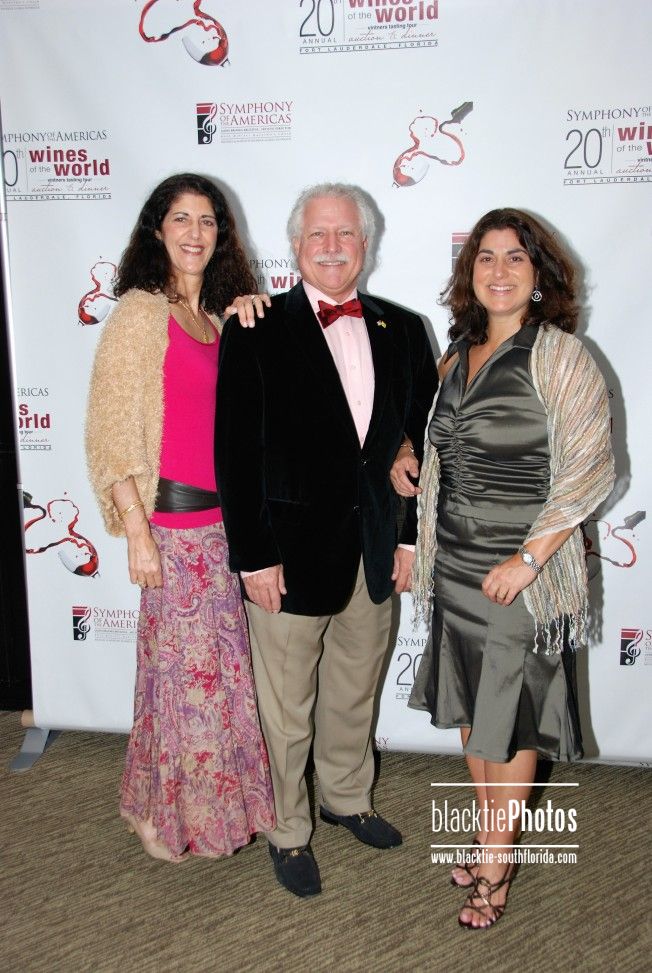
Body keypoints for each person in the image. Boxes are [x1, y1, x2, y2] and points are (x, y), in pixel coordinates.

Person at [392, 208, 614, 928]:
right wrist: (410, 455)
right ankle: (494, 835)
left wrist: (529, 559)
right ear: (470, 273)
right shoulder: (457, 353)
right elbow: (439, 437)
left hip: (524, 569)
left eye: (515, 257)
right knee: (470, 707)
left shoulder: (561, 356)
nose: (498, 270)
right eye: (485, 257)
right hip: (454, 561)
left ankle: (496, 863)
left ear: (539, 274)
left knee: (511, 714)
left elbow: (590, 469)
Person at [214, 183, 437, 896]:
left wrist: (407, 540)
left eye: (346, 234)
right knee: (285, 710)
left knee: (352, 691)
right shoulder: (255, 327)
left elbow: (418, 445)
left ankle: (345, 797)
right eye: (318, 234)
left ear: (365, 244)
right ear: (296, 245)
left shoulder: (405, 330)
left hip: (372, 552)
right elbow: (234, 454)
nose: (333, 246)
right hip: (287, 558)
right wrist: (253, 555)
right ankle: (287, 828)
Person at [85, 173, 275, 861]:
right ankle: (160, 814)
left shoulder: (219, 321)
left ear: (221, 235)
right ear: (157, 230)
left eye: (207, 221)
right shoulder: (140, 313)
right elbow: (110, 434)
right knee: (181, 683)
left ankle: (155, 802)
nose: (195, 233)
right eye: (181, 219)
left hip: (222, 532)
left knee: (209, 679)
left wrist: (250, 314)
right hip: (170, 530)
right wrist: (137, 532)